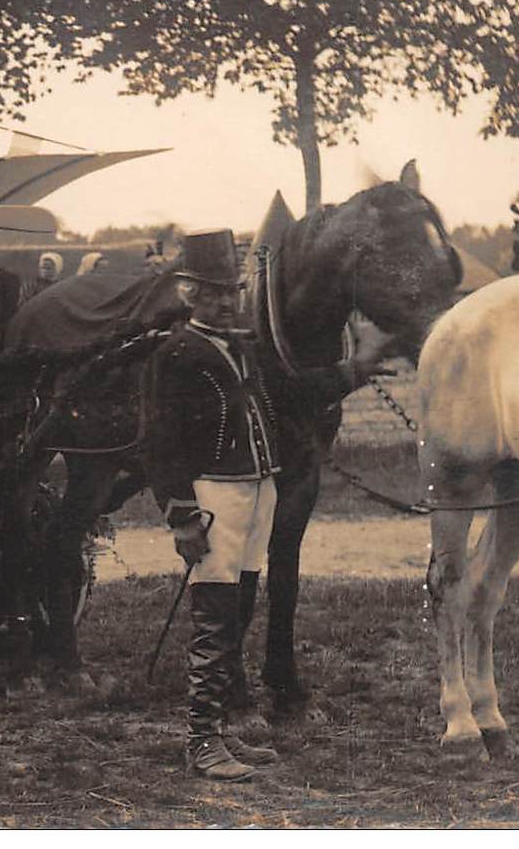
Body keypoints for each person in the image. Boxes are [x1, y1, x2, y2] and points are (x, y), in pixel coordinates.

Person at [143, 229, 395, 781]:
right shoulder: (179, 354)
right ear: (189, 295)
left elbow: (303, 392)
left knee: (237, 607)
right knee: (213, 616)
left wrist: (362, 365)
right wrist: (182, 514)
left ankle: (223, 732)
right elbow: (159, 442)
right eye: (212, 294)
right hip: (214, 496)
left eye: (231, 292)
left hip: (258, 490)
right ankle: (202, 743)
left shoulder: (244, 348)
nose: (226, 301)